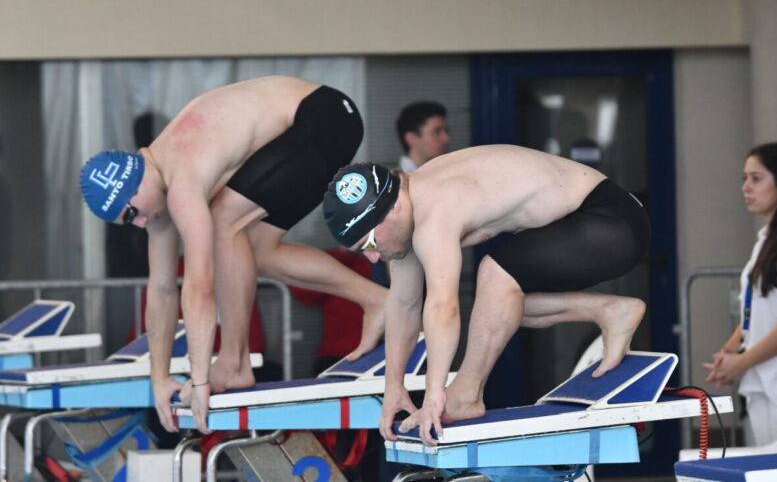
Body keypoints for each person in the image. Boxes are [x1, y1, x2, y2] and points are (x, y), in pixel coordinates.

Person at [79, 76, 387, 434]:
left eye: (132, 213)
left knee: (224, 220)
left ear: (133, 182)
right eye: (128, 223)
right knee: (259, 249)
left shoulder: (182, 179)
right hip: (315, 125)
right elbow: (162, 289)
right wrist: (159, 378)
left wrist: (199, 384)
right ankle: (377, 300)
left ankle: (234, 361)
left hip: (324, 117)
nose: (141, 223)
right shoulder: (155, 194)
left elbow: (199, 287)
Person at [322, 144, 650, 445]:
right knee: (496, 311)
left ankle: (466, 395)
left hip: (612, 221)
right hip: (602, 225)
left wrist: (435, 393)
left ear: (391, 210)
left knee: (495, 276)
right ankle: (610, 311)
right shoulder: (406, 208)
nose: (373, 258)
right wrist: (393, 384)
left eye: (368, 244)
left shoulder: (433, 210)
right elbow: (404, 303)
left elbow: (442, 307)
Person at [704, 142, 777, 446]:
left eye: (756, 178)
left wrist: (743, 361)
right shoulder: (766, 240)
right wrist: (730, 352)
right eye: (744, 178)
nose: (746, 187)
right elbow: (758, 311)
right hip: (762, 379)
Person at [395, 101, 450, 173]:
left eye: (446, 131)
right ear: (411, 139)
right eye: (437, 132)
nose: (446, 139)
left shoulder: (444, 172)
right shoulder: (399, 182)